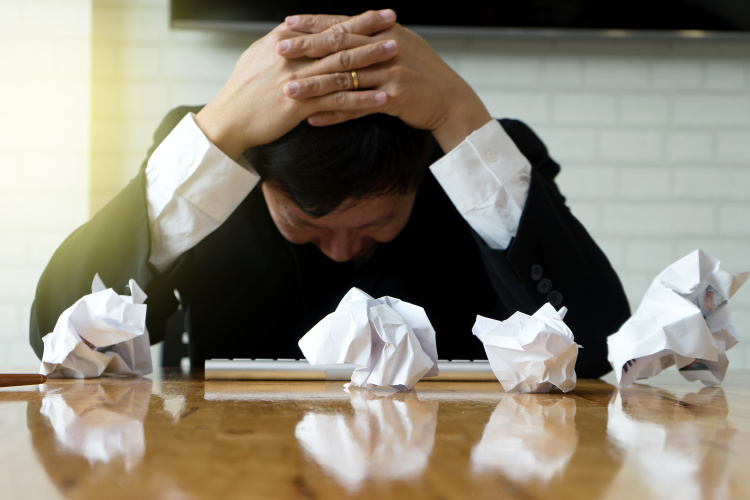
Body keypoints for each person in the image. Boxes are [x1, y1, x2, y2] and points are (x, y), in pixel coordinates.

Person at [29, 10, 630, 377]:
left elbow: (598, 344)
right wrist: (219, 131)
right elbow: (57, 338)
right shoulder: (218, 154)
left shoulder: (472, 153)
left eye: (377, 224)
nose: (342, 253)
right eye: (305, 224)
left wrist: (458, 114)